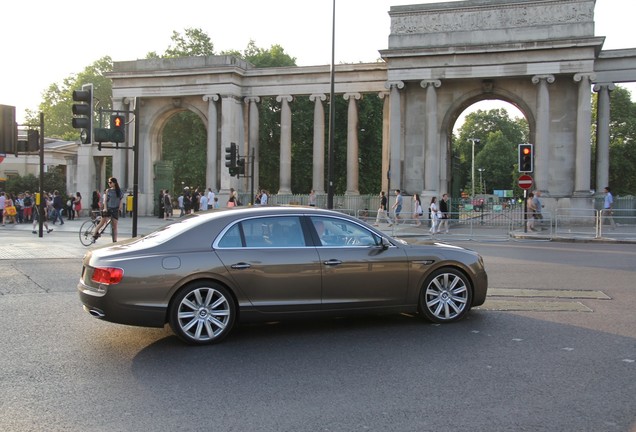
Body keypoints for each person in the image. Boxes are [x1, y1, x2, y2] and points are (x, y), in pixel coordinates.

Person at [93, 177, 124, 242]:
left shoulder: (119, 191)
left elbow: (121, 200)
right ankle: (95, 233)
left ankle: (115, 240)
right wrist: (105, 208)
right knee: (102, 222)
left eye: (110, 182)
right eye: (108, 182)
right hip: (108, 209)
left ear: (114, 183)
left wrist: (120, 208)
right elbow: (105, 200)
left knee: (115, 226)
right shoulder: (108, 191)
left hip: (115, 209)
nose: (109, 183)